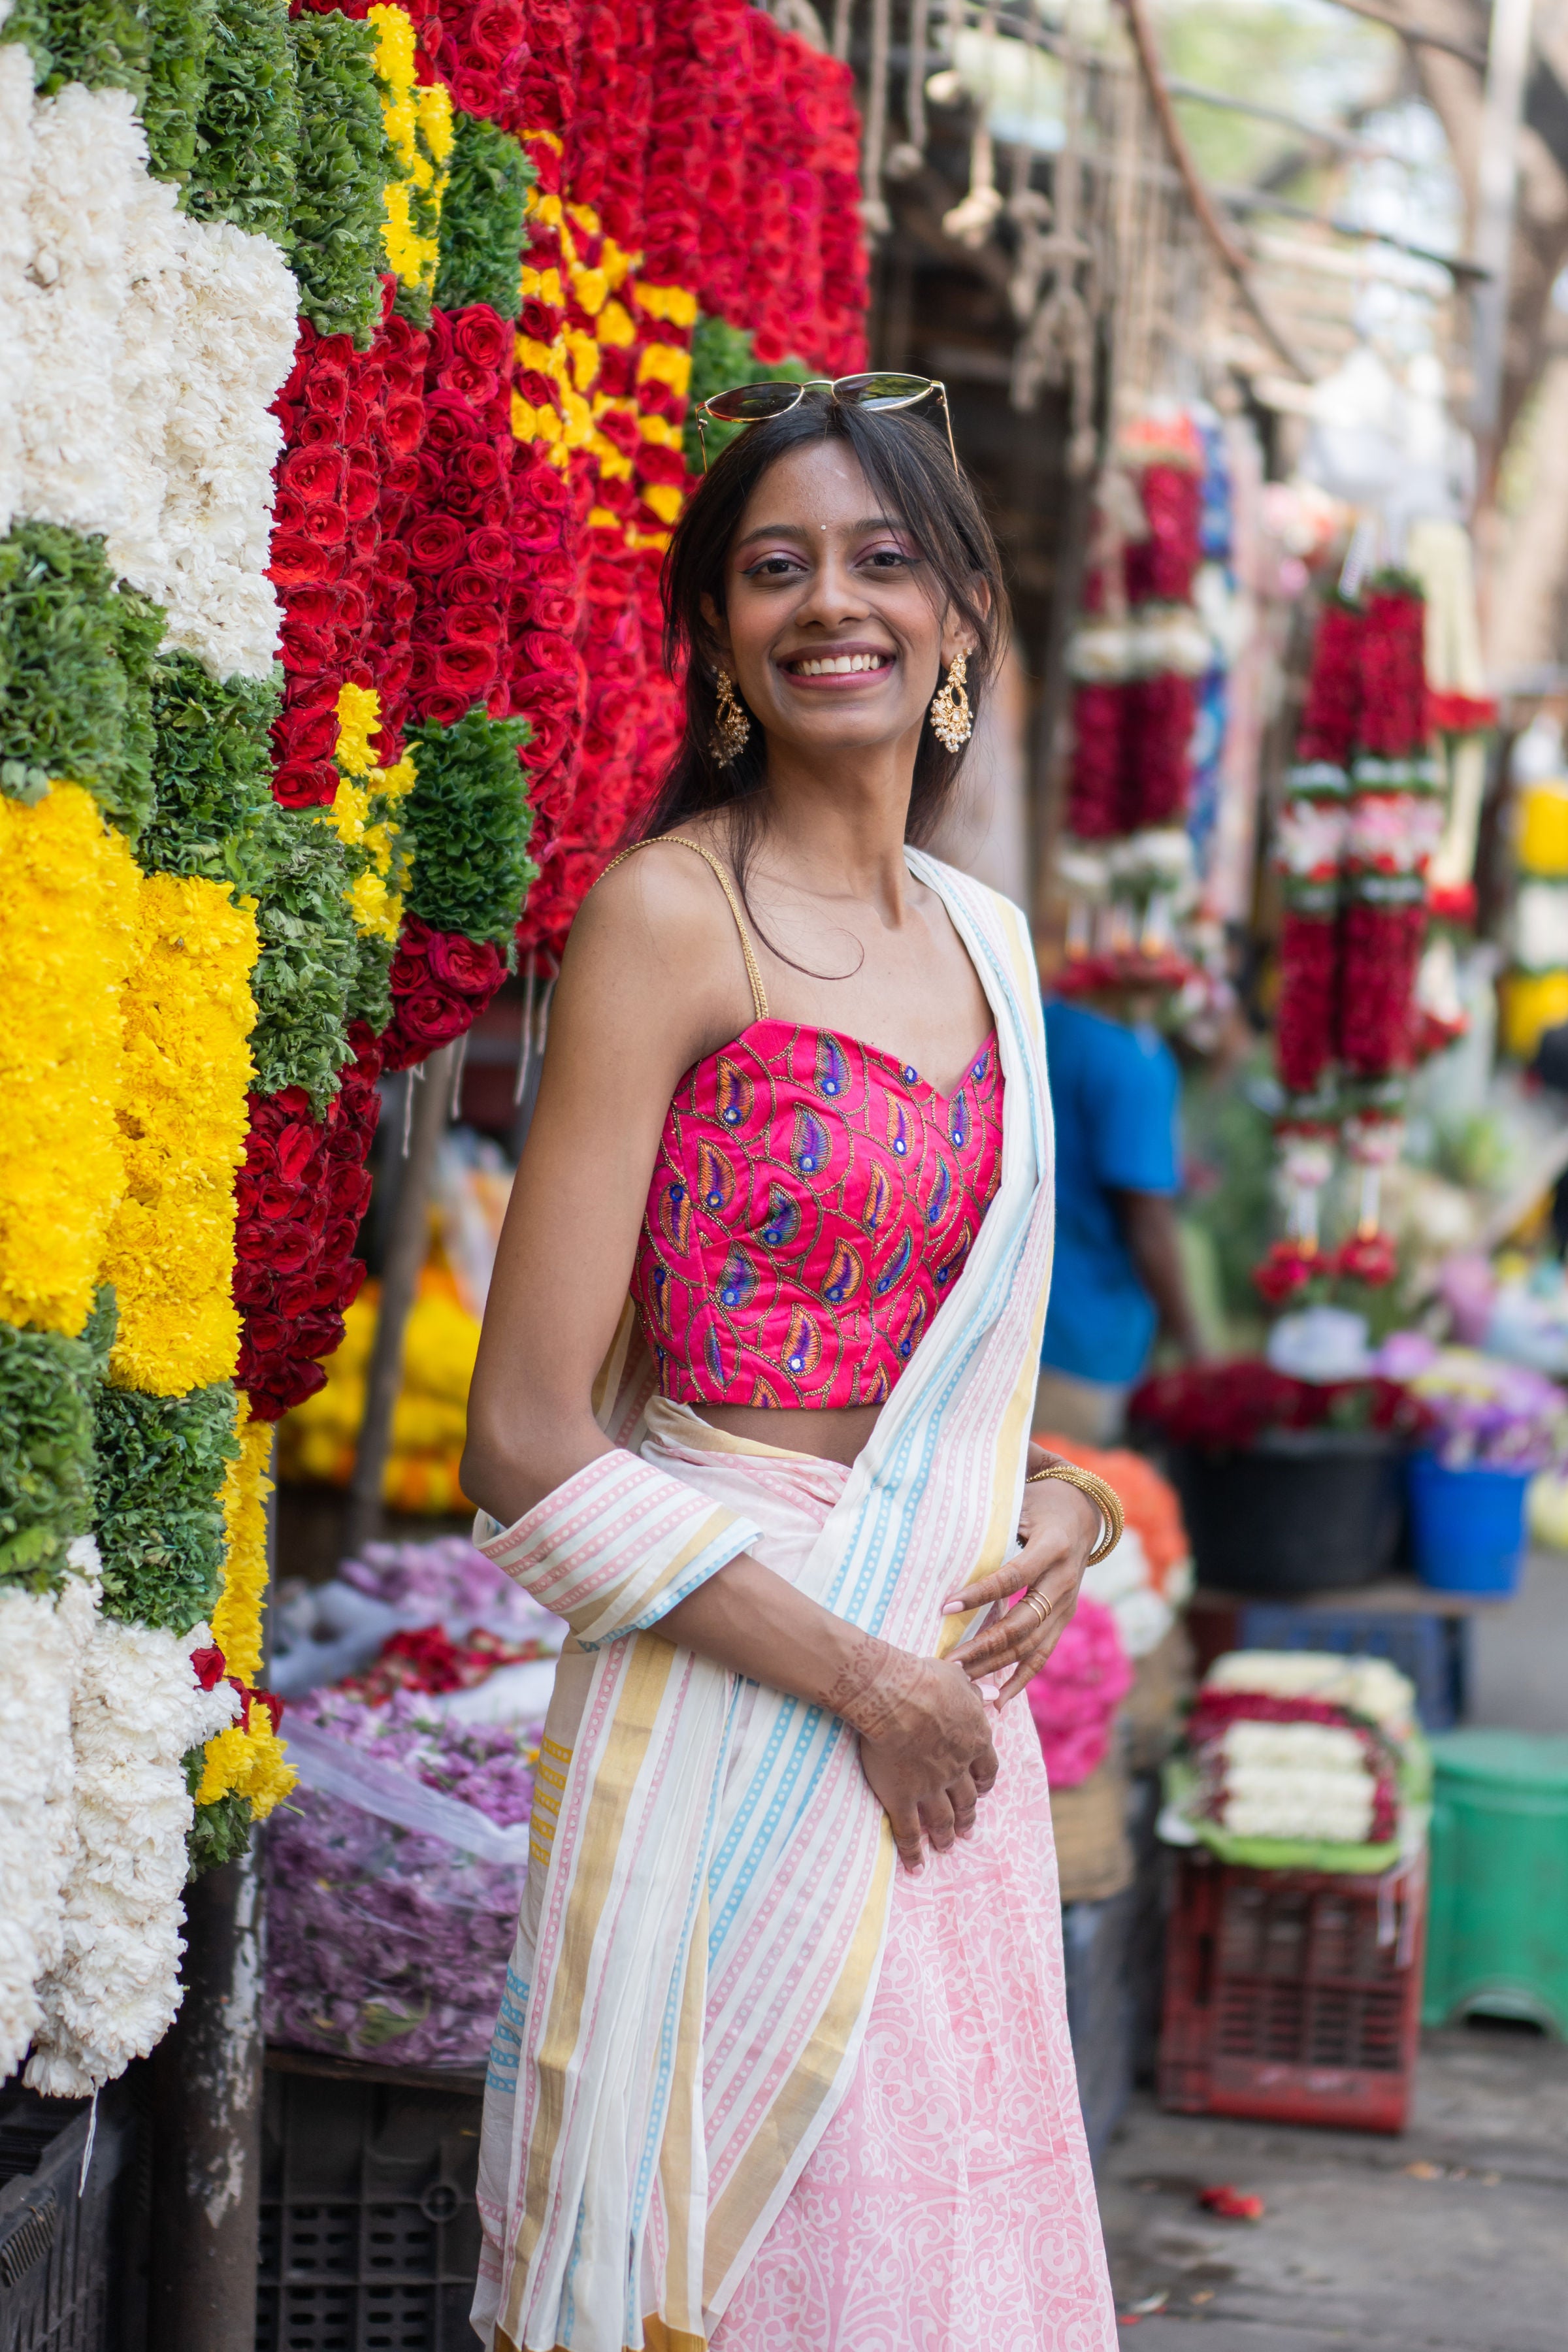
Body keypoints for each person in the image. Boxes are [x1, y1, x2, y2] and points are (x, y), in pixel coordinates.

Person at [461, 379, 1119, 2352]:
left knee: (935, 2265)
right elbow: (517, 1439)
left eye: (877, 556)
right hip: (743, 1683)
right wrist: (863, 1682)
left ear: (958, 616)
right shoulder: (670, 918)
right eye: (774, 568)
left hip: (938, 1705)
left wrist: (1067, 1506)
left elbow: (973, 1366)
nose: (829, 601)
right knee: (727, 2258)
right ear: (724, 637)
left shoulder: (989, 943)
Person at [1036, 987, 1205, 1445]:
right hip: (1083, 1354)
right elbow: (1149, 1226)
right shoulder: (1135, 1062)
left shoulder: (1045, 1018)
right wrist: (1194, 1347)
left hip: (1012, 1328)